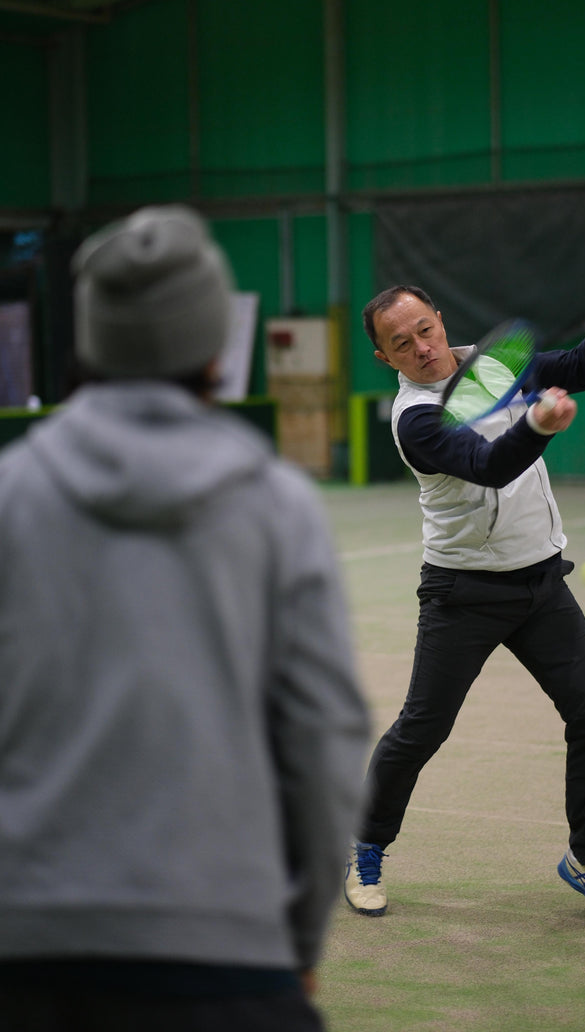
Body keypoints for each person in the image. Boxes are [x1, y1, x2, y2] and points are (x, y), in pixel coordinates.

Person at [0, 205, 369, 1032]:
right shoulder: (278, 508)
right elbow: (326, 742)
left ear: (92, 340)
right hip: (226, 962)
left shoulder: (10, 496)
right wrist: (295, 943)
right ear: (212, 346)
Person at [344, 243, 585, 925]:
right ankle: (368, 845)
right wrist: (538, 425)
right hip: (463, 593)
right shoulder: (415, 418)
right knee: (421, 730)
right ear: (386, 358)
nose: (422, 348)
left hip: (542, 585)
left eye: (424, 329)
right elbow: (488, 466)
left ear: (438, 317)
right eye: (401, 344)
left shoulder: (495, 366)